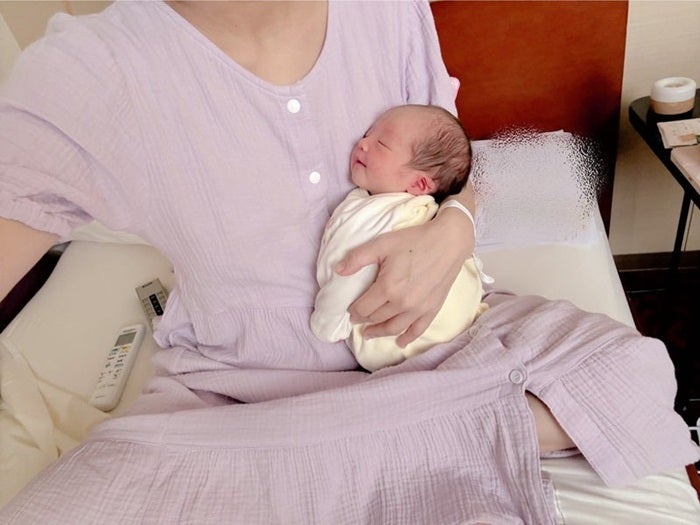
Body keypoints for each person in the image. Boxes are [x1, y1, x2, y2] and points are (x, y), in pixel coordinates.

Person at [0, 1, 697, 523]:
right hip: (236, 399)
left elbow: (453, 165)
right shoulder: (89, 71)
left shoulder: (387, 8)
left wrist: (455, 227)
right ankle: (475, 431)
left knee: (635, 369)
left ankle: (324, 463)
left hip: (445, 351)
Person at [311, 104, 490, 371]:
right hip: (471, 312)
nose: (362, 143)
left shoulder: (375, 216)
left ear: (419, 184)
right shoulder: (416, 206)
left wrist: (326, 323)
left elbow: (346, 274)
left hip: (417, 334)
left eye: (381, 144)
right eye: (367, 134)